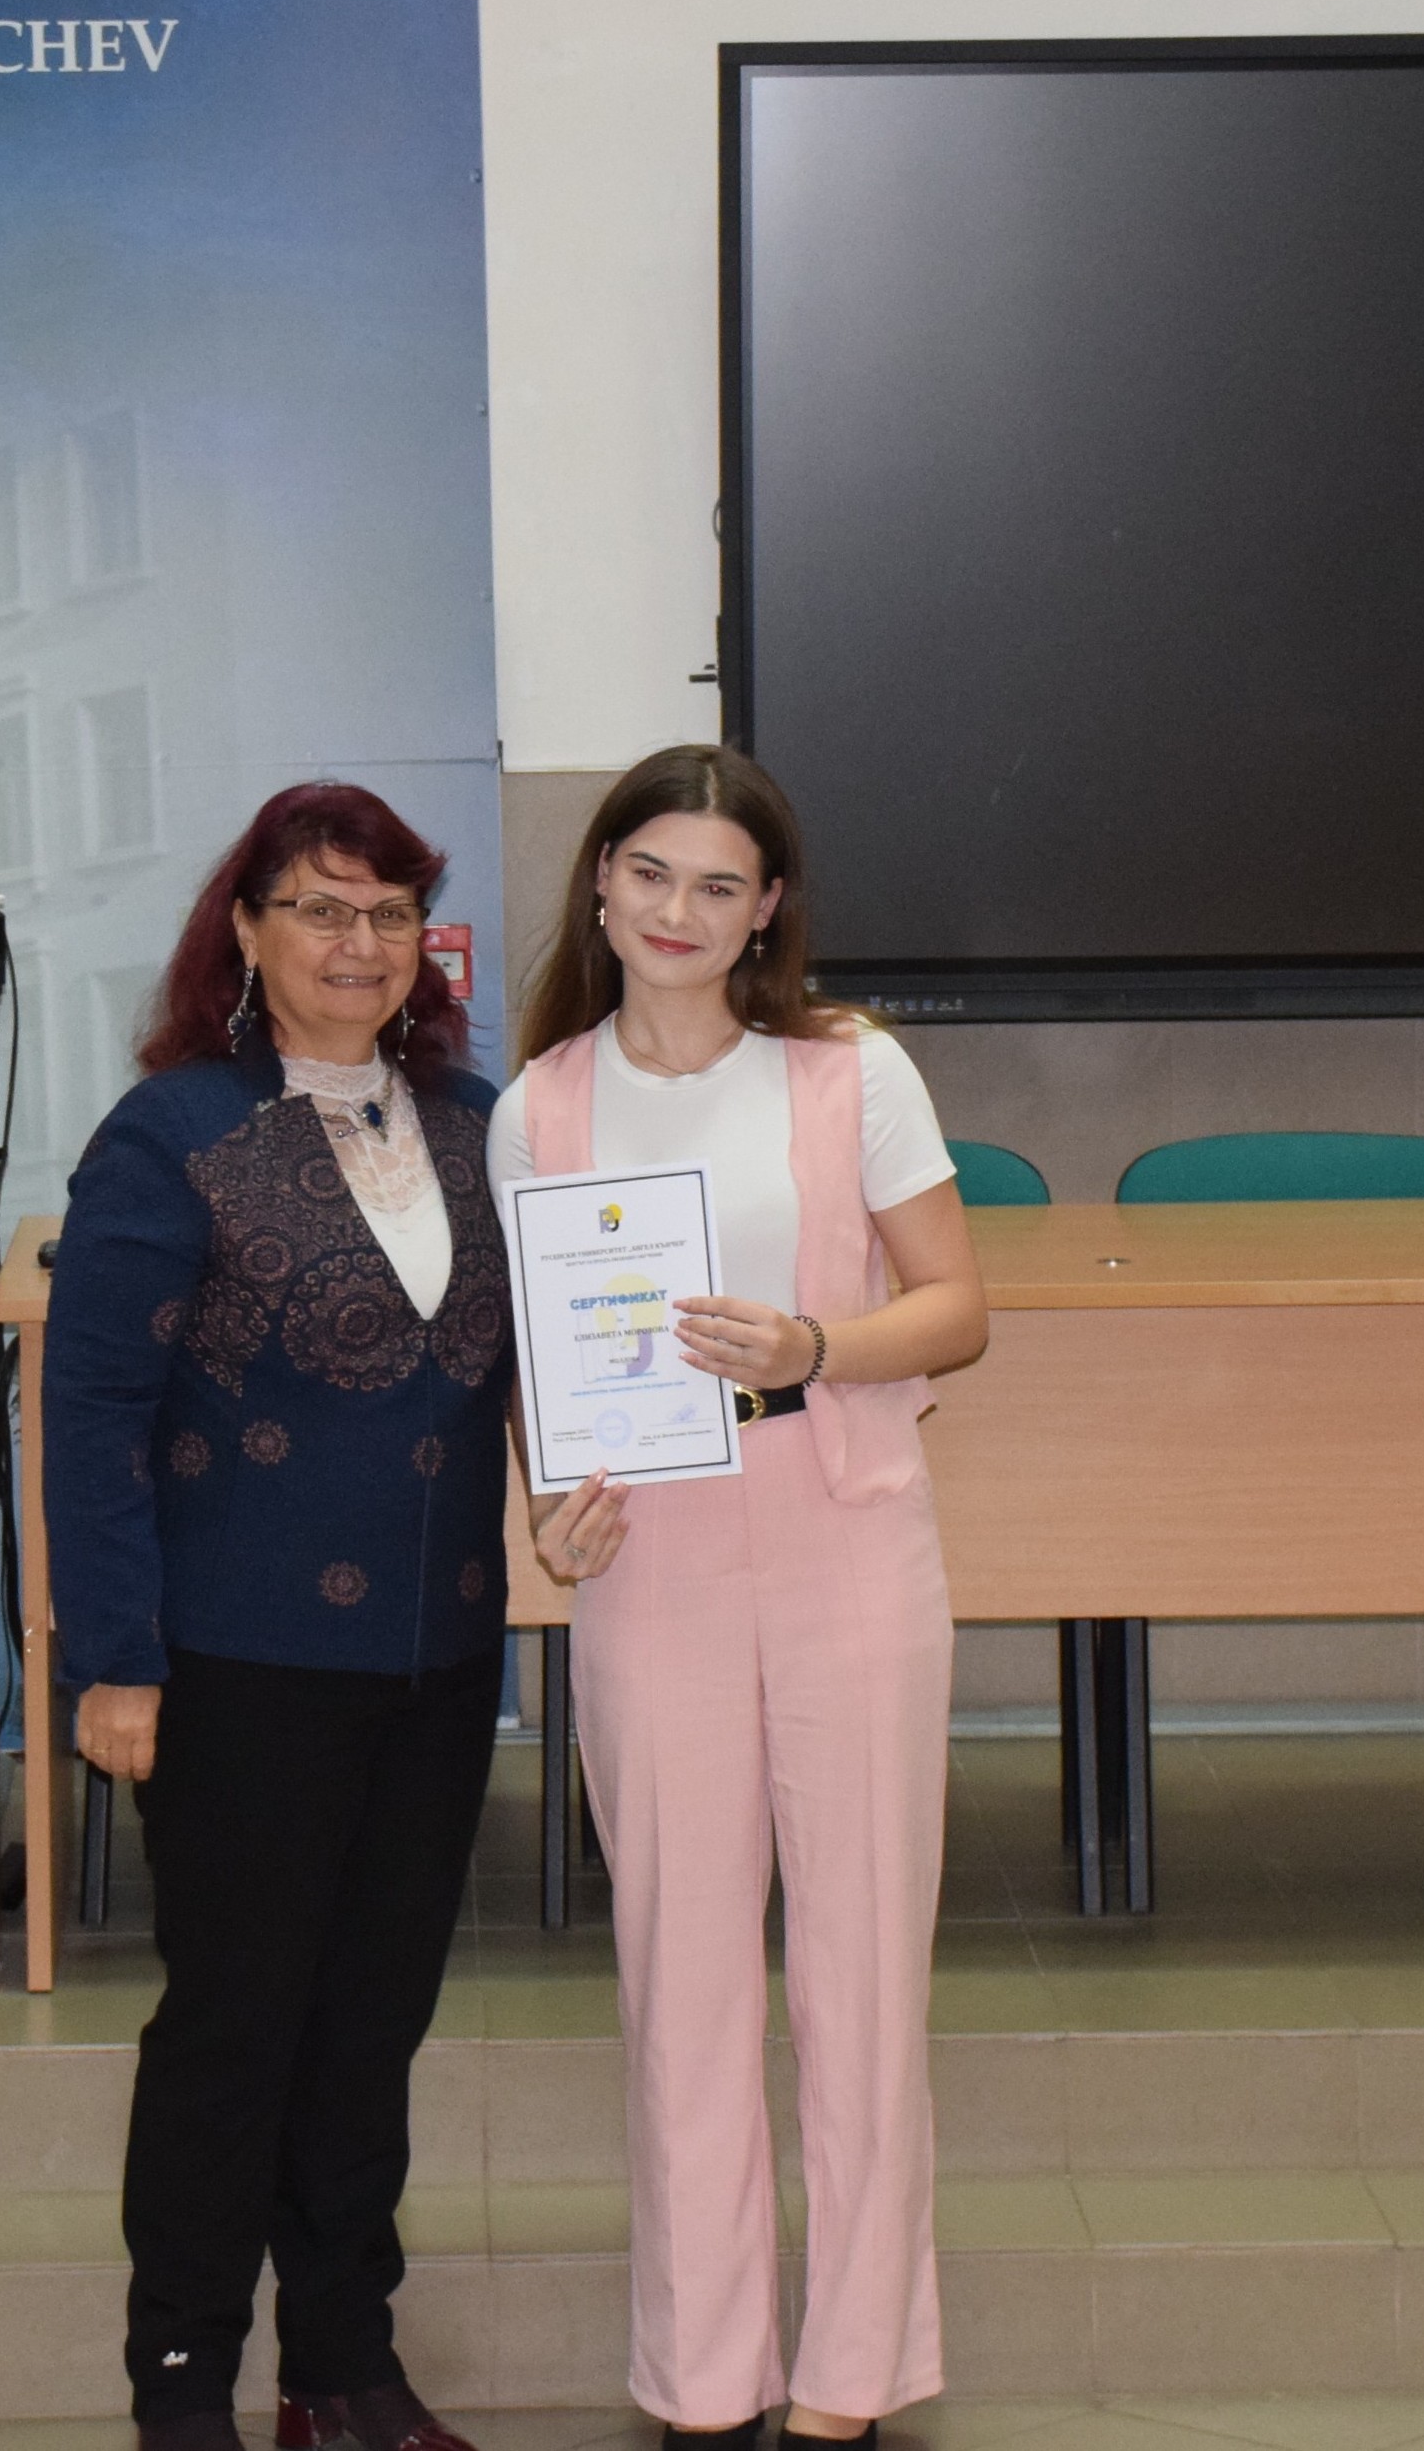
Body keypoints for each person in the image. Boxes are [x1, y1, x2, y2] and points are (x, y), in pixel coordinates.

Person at [490, 744, 988, 2449]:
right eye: (650, 872)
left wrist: (813, 1344)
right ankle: (703, 2383)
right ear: (601, 879)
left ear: (766, 907)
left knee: (862, 1977)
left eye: (719, 884)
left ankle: (849, 2382)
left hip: (845, 1532)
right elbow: (544, 1362)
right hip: (653, 1564)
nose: (678, 911)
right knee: (680, 1984)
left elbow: (957, 1307)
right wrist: (550, 1508)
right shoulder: (540, 1102)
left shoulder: (850, 1070)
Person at [46, 784, 523, 2451]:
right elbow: (92, 1413)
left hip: (438, 1657)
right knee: (234, 2033)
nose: (358, 942)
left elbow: (540, 1358)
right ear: (245, 930)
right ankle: (182, 2382)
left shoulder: (478, 1124)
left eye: (389, 911)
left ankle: (343, 2364)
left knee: (372, 2027)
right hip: (236, 1667)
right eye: (321, 907)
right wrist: (112, 1658)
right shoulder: (171, 1131)